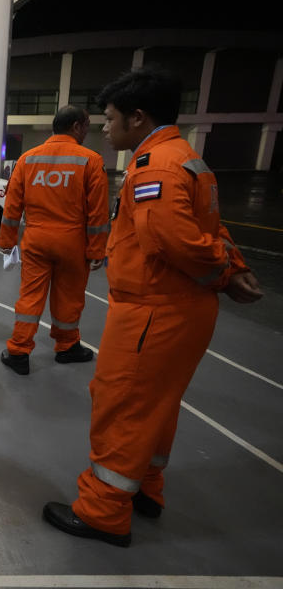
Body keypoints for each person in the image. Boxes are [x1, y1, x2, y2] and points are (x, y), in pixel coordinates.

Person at [43, 67, 263, 547]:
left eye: (111, 117)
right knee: (156, 408)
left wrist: (225, 273)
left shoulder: (156, 167)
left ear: (138, 118)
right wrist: (234, 267)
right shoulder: (185, 159)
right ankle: (144, 489)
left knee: (122, 405)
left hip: (153, 311)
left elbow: (174, 238)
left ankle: (103, 510)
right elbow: (212, 226)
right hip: (178, 309)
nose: (104, 126)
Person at [0, 106, 110, 375]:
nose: (87, 131)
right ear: (76, 127)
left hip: (36, 240)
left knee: (30, 296)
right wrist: (97, 251)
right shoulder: (91, 160)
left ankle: (18, 351)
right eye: (86, 126)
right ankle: (67, 346)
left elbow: (13, 205)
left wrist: (7, 240)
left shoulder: (27, 159)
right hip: (73, 242)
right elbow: (98, 213)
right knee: (69, 297)